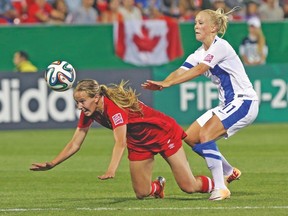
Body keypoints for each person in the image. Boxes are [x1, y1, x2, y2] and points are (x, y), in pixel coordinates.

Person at [142, 7, 259, 201]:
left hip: (244, 101)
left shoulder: (221, 46)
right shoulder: (198, 53)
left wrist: (168, 83)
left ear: (213, 27)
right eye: (195, 22)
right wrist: (164, 83)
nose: (196, 26)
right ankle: (229, 171)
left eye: (201, 23)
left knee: (206, 135)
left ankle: (221, 188)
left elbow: (199, 70)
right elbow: (181, 71)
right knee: (191, 137)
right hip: (227, 104)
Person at [30, 79, 214, 199]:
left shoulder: (113, 108)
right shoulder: (89, 112)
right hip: (139, 143)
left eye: (82, 101)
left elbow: (120, 141)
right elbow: (75, 143)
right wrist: (53, 163)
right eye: (77, 102)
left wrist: (111, 169)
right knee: (142, 193)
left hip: (162, 134)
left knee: (189, 187)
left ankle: (219, 182)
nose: (79, 106)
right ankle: (158, 187)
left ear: (96, 97)